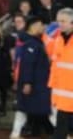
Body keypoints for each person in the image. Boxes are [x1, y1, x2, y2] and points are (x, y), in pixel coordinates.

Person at [10, 16, 53, 139]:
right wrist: (27, 83)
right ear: (33, 26)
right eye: (40, 25)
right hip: (35, 84)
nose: (42, 27)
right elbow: (28, 65)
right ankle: (15, 133)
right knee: (26, 109)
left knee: (25, 109)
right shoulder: (31, 44)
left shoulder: (32, 42)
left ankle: (16, 133)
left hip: (37, 83)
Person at [49, 7, 73, 139]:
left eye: (63, 21)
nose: (60, 24)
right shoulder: (58, 40)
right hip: (62, 100)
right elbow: (55, 67)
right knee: (59, 134)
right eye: (59, 21)